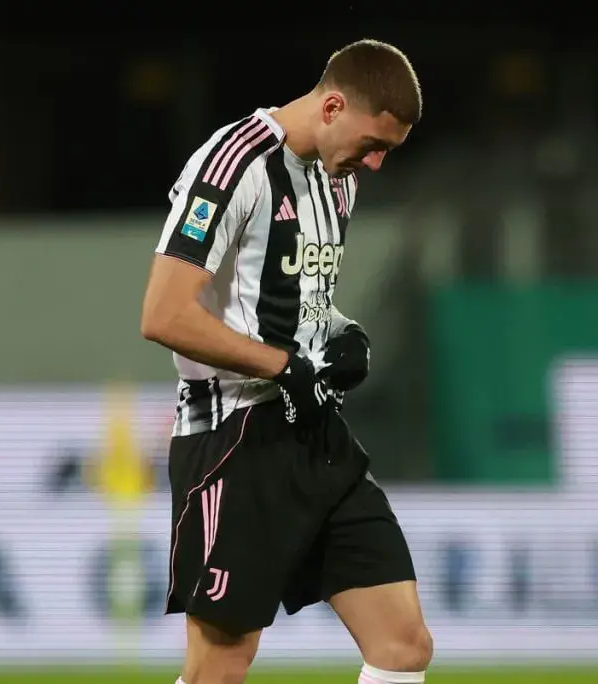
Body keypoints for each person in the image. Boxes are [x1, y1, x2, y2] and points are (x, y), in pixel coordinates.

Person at [141, 38, 431, 684]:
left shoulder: (337, 178)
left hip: (312, 433)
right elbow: (164, 314)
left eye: (387, 150)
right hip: (232, 436)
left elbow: (298, 302)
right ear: (332, 107)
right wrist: (280, 366)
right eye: (372, 143)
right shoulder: (232, 165)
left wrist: (343, 334)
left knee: (402, 644)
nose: (375, 162)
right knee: (220, 664)